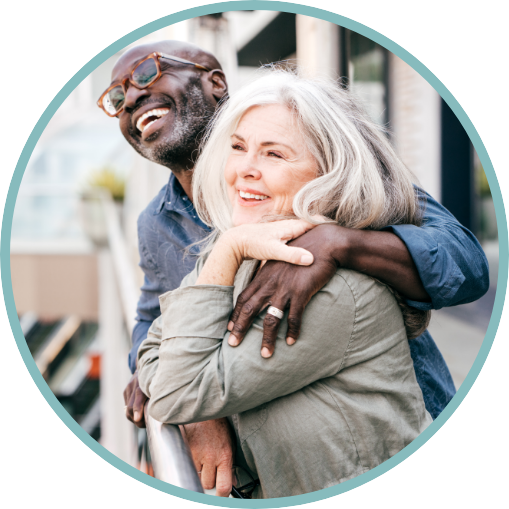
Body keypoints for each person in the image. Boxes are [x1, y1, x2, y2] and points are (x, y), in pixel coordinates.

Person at [97, 40, 489, 496]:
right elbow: (154, 323)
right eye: (116, 98)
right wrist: (198, 412)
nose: (131, 98)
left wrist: (340, 242)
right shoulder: (158, 223)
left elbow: (466, 264)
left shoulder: (330, 166)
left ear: (215, 82)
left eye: (145, 74)